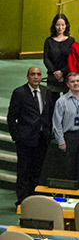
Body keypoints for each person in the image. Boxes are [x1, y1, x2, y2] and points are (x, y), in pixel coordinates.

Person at [8, 66, 53, 206]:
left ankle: (34, 200)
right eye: (33, 74)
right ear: (28, 77)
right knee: (24, 170)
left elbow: (49, 114)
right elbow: (11, 117)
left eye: (38, 74)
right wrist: (17, 136)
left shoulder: (47, 92)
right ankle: (22, 200)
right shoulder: (19, 93)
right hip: (25, 139)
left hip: (42, 138)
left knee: (37, 170)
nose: (36, 77)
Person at [44, 14, 75, 100]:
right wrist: (55, 72)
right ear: (54, 26)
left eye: (63, 25)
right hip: (52, 76)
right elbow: (46, 59)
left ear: (66, 26)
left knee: (68, 101)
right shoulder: (48, 41)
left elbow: (72, 59)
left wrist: (62, 72)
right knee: (52, 102)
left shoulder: (71, 40)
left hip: (66, 75)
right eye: (58, 25)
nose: (60, 27)